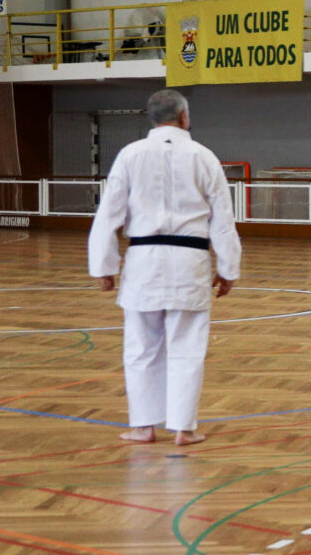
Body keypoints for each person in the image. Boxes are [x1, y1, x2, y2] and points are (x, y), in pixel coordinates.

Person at [87, 88, 241, 449]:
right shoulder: (204, 157)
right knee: (187, 347)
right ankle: (183, 430)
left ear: (152, 118)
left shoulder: (130, 155)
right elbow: (223, 220)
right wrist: (229, 268)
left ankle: (143, 427)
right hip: (191, 260)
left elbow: (108, 213)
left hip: (144, 259)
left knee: (140, 348)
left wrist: (103, 265)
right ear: (184, 117)